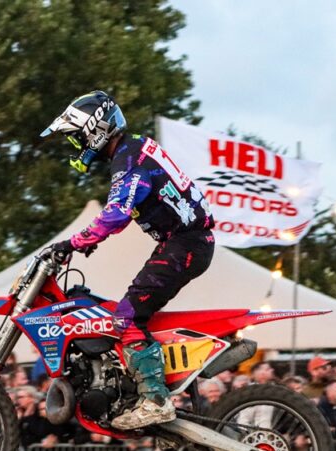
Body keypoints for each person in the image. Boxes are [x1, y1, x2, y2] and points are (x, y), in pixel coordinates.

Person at [42, 90, 214, 429]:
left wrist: (72, 243)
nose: (76, 145)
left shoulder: (130, 159)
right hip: (183, 242)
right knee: (127, 309)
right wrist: (90, 241)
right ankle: (134, 387)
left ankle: (155, 401)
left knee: (127, 316)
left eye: (77, 137)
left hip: (185, 244)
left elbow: (117, 213)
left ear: (95, 130)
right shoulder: (133, 148)